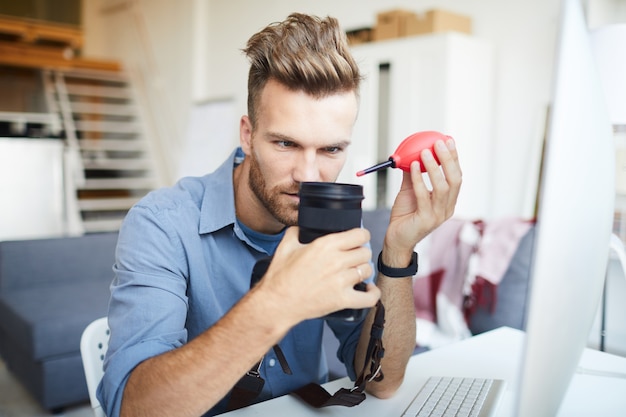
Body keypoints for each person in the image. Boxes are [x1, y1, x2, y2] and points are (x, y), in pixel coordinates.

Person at [97, 12, 461, 417]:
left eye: (330, 150)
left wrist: (398, 251)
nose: (308, 177)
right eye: (286, 143)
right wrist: (276, 303)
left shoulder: (332, 219)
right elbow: (131, 409)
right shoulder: (161, 224)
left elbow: (381, 381)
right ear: (248, 135)